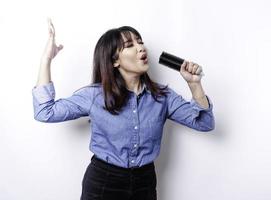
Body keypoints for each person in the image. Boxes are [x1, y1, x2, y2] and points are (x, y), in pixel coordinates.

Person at [32, 18, 215, 200]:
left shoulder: (163, 96)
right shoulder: (95, 96)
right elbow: (44, 112)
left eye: (140, 42)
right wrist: (46, 59)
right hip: (103, 183)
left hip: (145, 184)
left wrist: (194, 84)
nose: (141, 48)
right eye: (130, 45)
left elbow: (205, 123)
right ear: (114, 61)